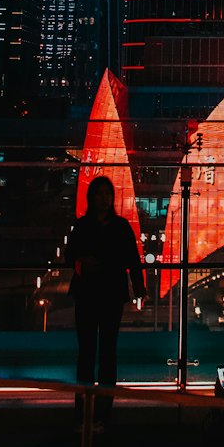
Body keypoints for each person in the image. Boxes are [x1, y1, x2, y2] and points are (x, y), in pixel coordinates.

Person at [65, 175, 145, 428]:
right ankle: (84, 412)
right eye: (99, 194)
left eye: (108, 194)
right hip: (88, 293)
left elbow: (133, 259)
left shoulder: (121, 226)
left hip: (110, 294)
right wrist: (82, 260)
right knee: (87, 353)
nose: (104, 198)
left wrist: (139, 287)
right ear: (92, 198)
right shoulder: (83, 226)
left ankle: (102, 413)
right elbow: (69, 255)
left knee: (107, 353)